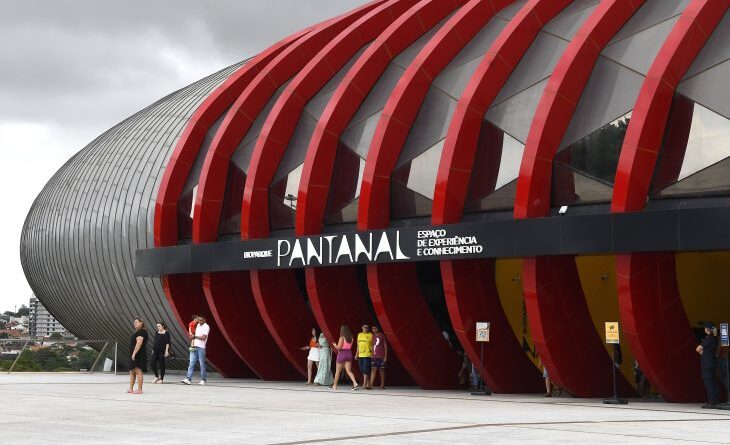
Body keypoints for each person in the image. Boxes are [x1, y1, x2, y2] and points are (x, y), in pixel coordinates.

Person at [181, 315, 210, 386]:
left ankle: (203, 380)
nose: (199, 321)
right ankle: (188, 379)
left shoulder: (206, 326)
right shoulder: (198, 325)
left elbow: (203, 338)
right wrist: (192, 337)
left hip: (201, 347)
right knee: (191, 363)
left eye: (201, 320)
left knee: (202, 364)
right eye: (199, 320)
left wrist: (195, 336)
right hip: (194, 346)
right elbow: (192, 329)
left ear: (205, 320)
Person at [697, 322, 719, 408]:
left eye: (705, 328)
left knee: (708, 382)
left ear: (707, 329)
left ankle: (711, 402)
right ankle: (715, 400)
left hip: (706, 363)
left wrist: (702, 353)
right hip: (713, 362)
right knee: (713, 382)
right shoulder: (715, 338)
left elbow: (698, 349)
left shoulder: (708, 339)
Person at [332, 324, 358, 390]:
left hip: (342, 353)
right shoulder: (351, 337)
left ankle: (334, 385)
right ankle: (355, 383)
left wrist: (335, 345)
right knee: (349, 371)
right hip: (349, 353)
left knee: (338, 371)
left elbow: (339, 347)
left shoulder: (342, 337)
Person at [128, 318, 148, 394]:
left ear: (141, 323)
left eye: (136, 322)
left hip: (139, 354)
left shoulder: (142, 331)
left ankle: (140, 389)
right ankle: (131, 389)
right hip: (134, 354)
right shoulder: (137, 331)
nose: (134, 323)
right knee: (132, 371)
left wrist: (134, 353)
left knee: (138, 371)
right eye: (134, 322)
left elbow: (139, 343)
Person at [356, 324, 373, 390]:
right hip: (360, 355)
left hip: (367, 354)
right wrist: (356, 354)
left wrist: (372, 353)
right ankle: (368, 383)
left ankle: (364, 384)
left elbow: (373, 345)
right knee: (362, 369)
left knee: (366, 369)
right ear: (362, 328)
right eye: (364, 327)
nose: (366, 328)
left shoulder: (370, 335)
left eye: (367, 327)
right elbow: (358, 345)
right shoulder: (359, 334)